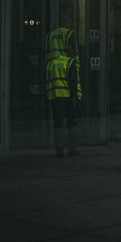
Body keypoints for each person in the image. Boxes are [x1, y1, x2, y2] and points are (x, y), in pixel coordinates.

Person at [44, 21, 82, 158]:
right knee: (71, 123)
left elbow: (47, 81)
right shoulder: (70, 63)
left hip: (55, 97)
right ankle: (72, 148)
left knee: (58, 123)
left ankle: (59, 150)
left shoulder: (51, 64)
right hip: (68, 96)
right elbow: (72, 82)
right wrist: (75, 98)